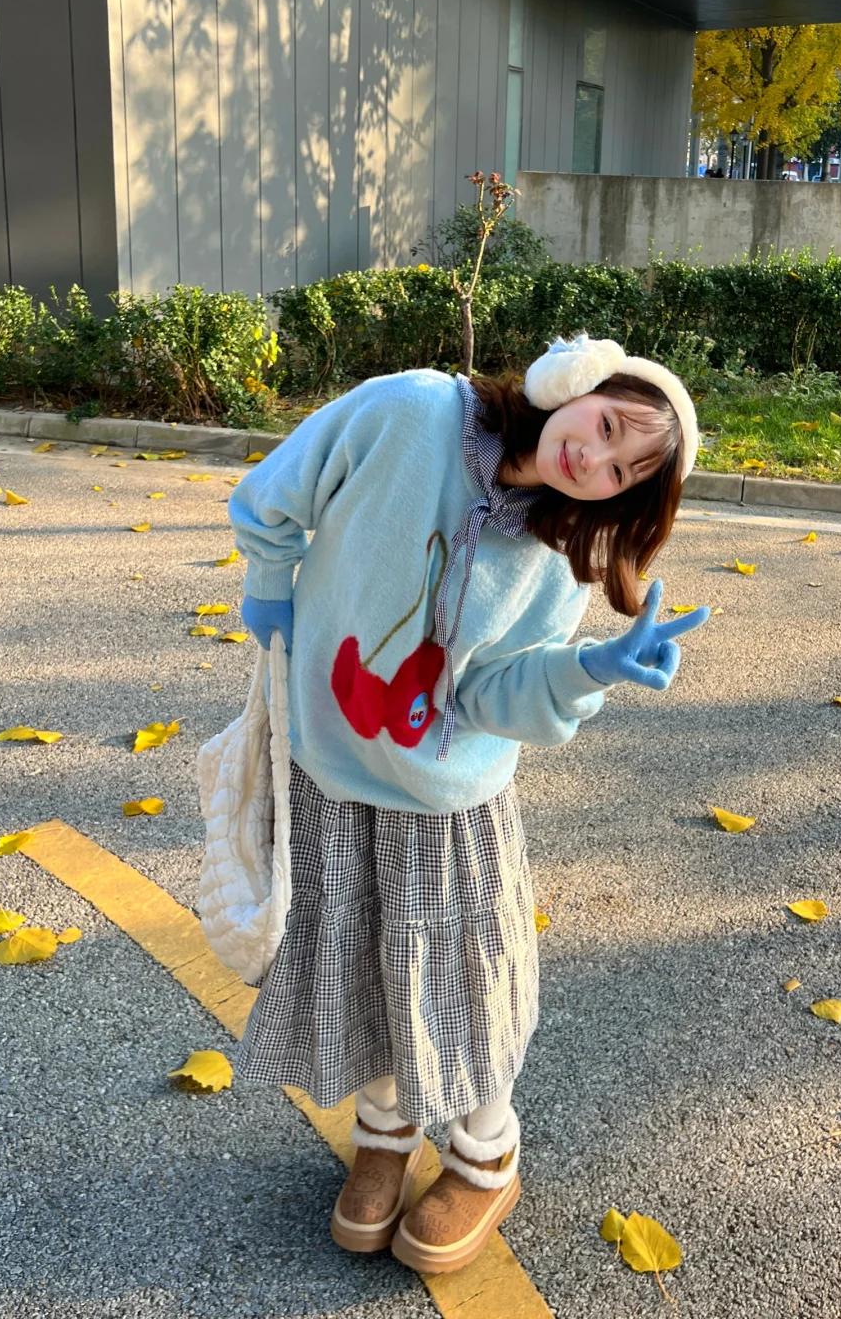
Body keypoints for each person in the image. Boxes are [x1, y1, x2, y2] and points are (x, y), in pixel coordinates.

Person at [226, 333, 710, 1276]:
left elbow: (489, 694)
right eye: (607, 425)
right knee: (359, 966)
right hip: (331, 768)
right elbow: (279, 490)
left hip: (448, 803)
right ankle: (385, 1133)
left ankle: (486, 1157)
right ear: (572, 385)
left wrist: (585, 670)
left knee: (461, 984)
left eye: (623, 471)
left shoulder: (558, 554)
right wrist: (267, 583)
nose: (595, 460)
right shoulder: (410, 412)